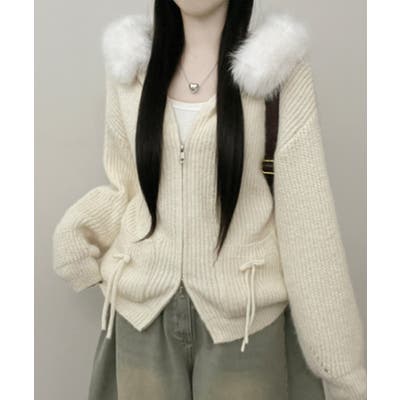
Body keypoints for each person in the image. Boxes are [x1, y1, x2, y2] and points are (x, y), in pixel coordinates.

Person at [52, 1, 367, 399]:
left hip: (244, 323)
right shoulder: (130, 69)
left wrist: (343, 372)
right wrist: (78, 232)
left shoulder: (278, 72)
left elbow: (308, 222)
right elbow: (129, 188)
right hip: (141, 318)